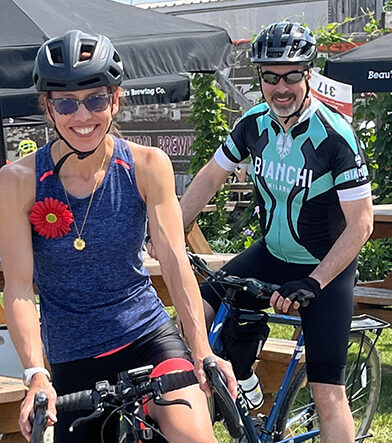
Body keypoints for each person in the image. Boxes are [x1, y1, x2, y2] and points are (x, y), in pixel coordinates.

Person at [0, 29, 236, 443]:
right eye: (67, 104)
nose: (82, 116)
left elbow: (174, 260)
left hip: (147, 336)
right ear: (48, 109)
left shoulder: (146, 165)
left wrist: (201, 348)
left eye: (95, 100)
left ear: (115, 99)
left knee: (192, 436)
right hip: (73, 354)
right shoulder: (19, 180)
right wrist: (36, 375)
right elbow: (19, 287)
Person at [178, 22, 373, 443]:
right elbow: (211, 177)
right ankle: (240, 388)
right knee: (193, 320)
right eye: (270, 77)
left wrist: (315, 281)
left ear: (309, 74)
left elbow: (362, 224)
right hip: (271, 252)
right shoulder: (253, 124)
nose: (280, 87)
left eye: (291, 76)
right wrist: (171, 231)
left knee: (327, 391)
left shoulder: (335, 136)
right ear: (259, 79)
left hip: (326, 268)